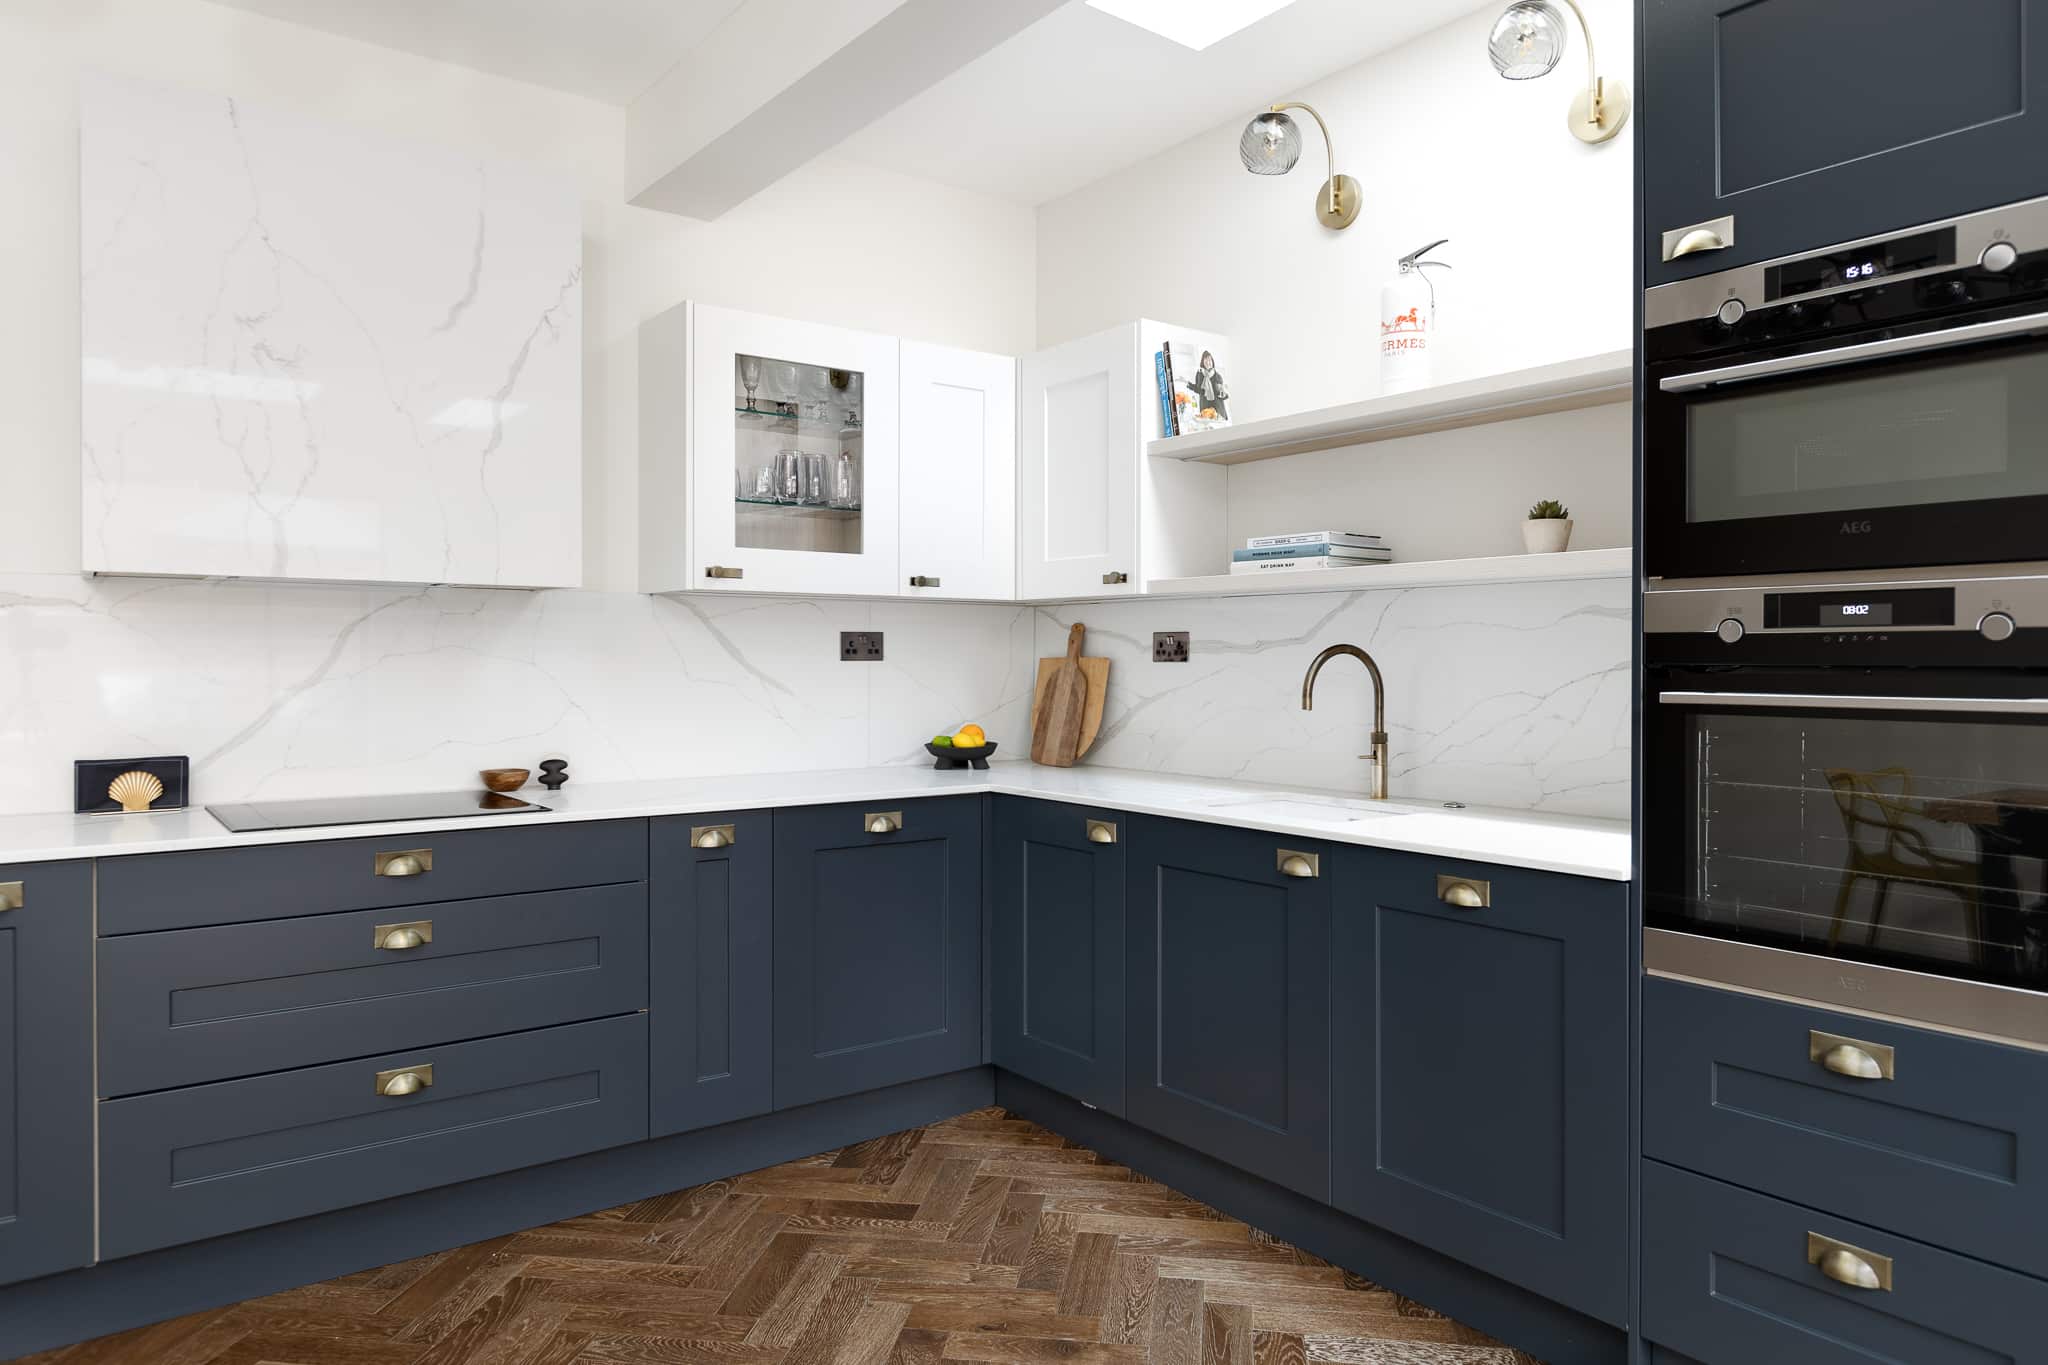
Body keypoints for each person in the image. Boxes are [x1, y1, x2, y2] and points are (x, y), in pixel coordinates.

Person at [1185, 350, 1229, 421]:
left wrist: (1225, 395)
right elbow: (1198, 390)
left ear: (1212, 362)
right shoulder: (1199, 375)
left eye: (1210, 360)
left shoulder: (1218, 376)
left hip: (1218, 410)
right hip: (1205, 409)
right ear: (1202, 362)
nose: (1208, 362)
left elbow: (1222, 393)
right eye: (1206, 360)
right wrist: (1187, 383)